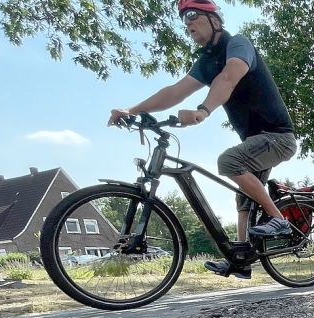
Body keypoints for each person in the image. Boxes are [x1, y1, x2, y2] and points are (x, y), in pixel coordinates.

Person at [107, 0, 297, 279]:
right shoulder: (207, 61)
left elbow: (229, 77)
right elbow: (174, 92)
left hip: (277, 137)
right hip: (256, 142)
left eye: (193, 16)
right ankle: (241, 260)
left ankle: (279, 222)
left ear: (215, 20)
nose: (188, 24)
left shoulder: (238, 44)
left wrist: (203, 110)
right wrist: (132, 110)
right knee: (244, 198)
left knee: (228, 161)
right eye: (184, 20)